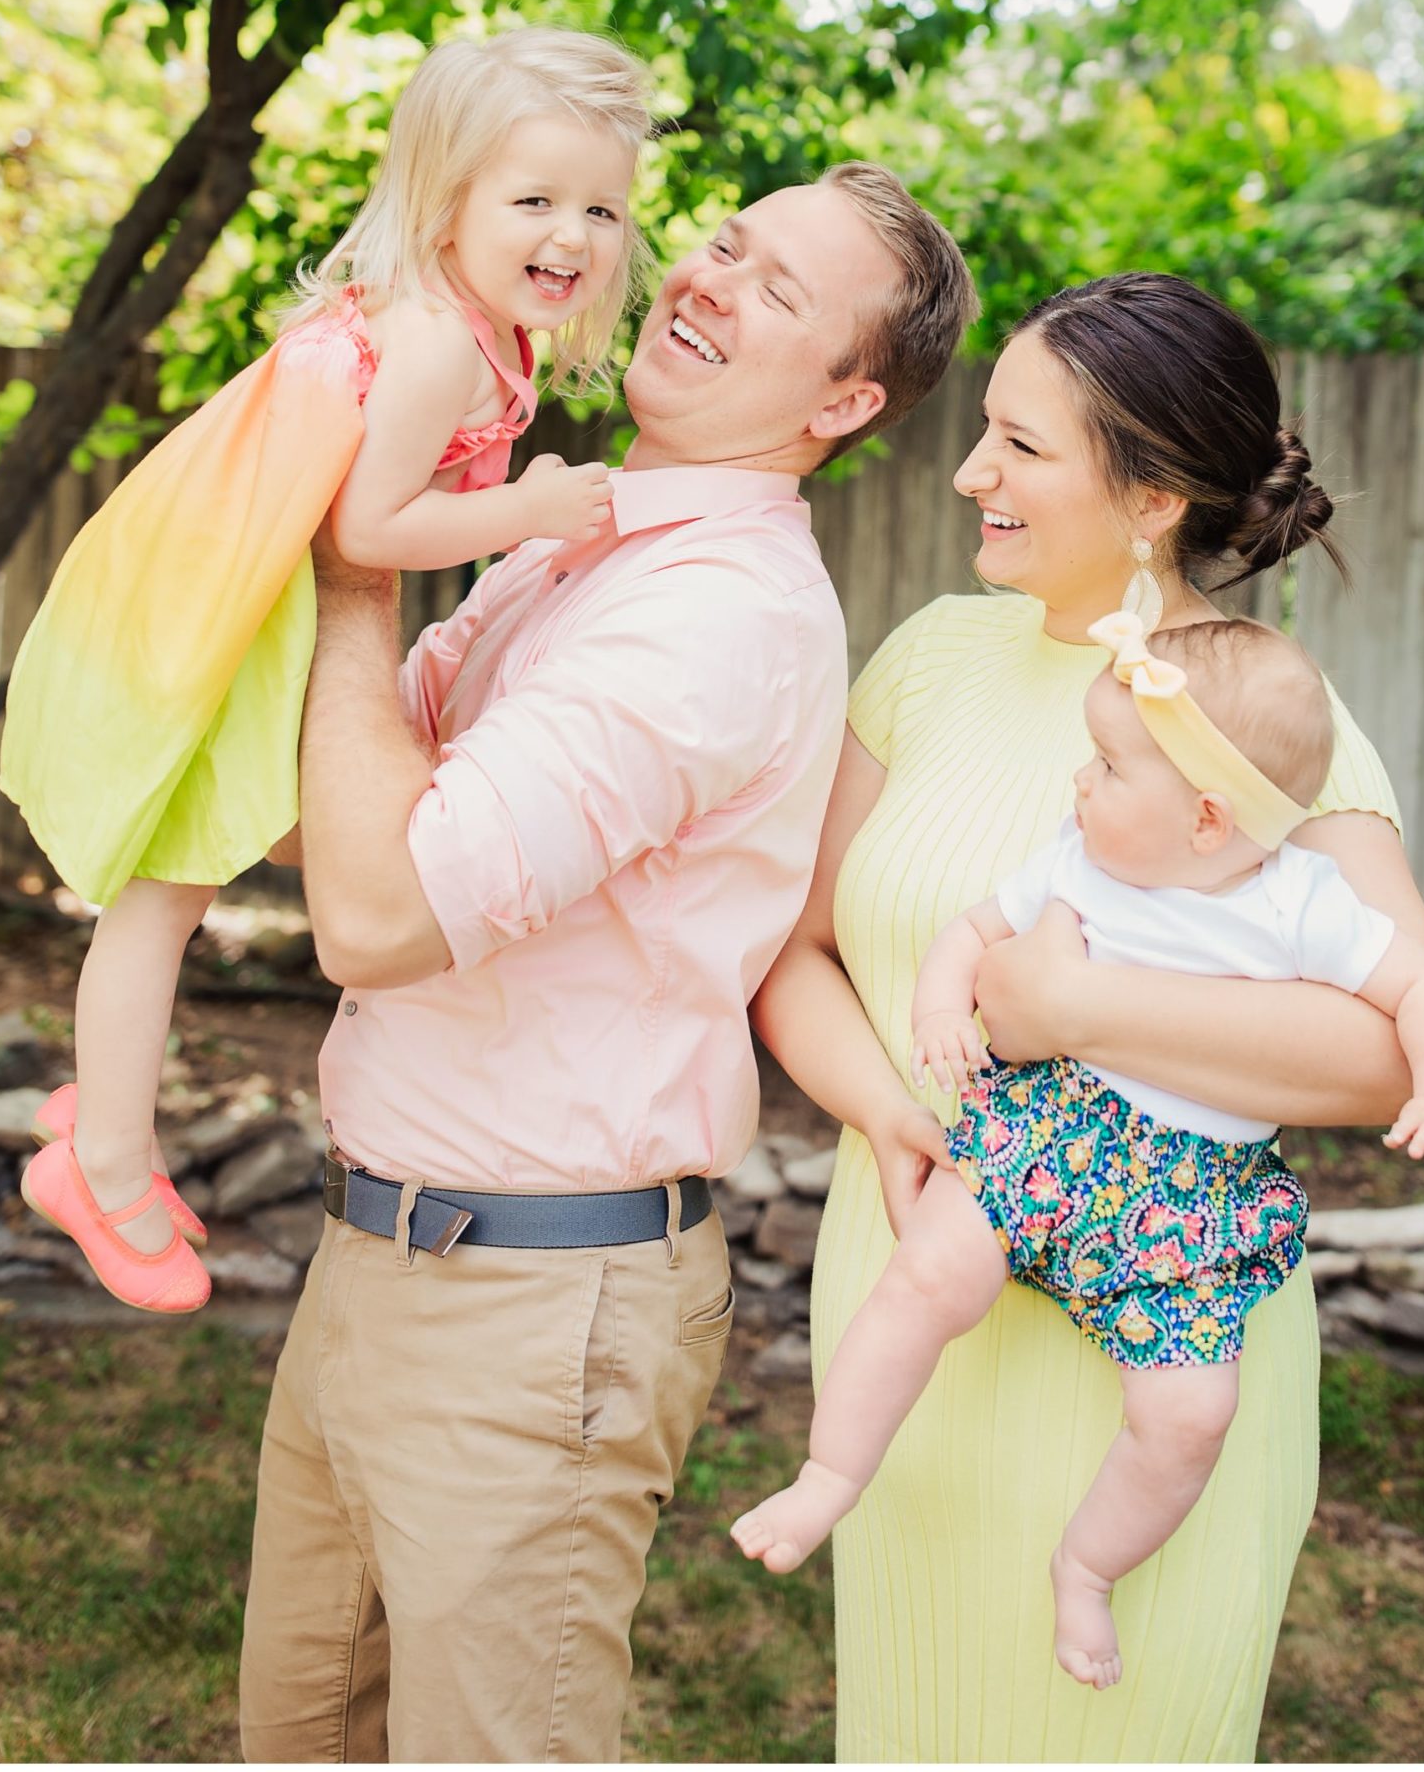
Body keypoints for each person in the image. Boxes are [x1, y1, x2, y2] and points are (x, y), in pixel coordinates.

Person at [237, 160, 979, 1765]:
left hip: (534, 1312)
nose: (710, 279)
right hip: (375, 1253)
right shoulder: (565, 547)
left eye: (780, 290)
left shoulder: (712, 617)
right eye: (727, 243)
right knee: (300, 1736)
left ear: (845, 403)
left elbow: (374, 914)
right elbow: (327, 823)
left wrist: (358, 562)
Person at [750, 271, 1424, 1764]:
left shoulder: (1264, 729)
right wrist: (892, 1113)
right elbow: (793, 954)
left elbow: (1393, 1044)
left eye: (1020, 445)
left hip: (1158, 1364)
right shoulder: (933, 657)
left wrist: (1080, 1006)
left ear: (1149, 498)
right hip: (919, 1301)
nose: (969, 473)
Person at [3, 28, 645, 1315]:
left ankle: (102, 1111)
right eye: (533, 200)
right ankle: (99, 1160)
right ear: (442, 200)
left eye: (601, 207)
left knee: (249, 861)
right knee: (164, 893)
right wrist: (530, 508)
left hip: (253, 588)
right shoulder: (439, 345)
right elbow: (366, 529)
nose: (571, 235)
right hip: (229, 599)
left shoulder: (481, 329)